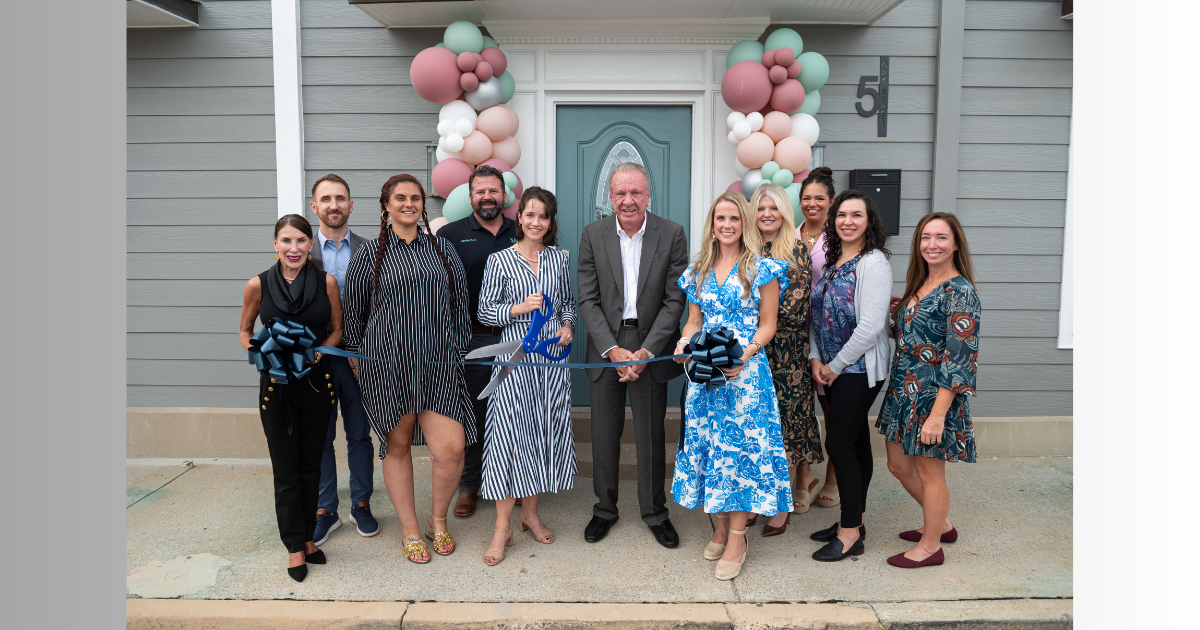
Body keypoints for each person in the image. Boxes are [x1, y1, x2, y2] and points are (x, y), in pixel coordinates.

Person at [341, 174, 474, 564]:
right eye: (400, 198)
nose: (409, 204)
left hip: (438, 364)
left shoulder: (443, 249)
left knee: (451, 448)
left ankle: (437, 520)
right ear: (386, 205)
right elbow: (354, 311)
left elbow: (460, 305)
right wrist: (356, 356)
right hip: (387, 364)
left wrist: (460, 350)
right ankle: (410, 530)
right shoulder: (369, 255)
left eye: (415, 198)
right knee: (397, 446)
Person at [671, 191, 791, 580]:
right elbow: (694, 321)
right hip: (706, 373)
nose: (727, 225)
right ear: (712, 225)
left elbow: (769, 323)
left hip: (745, 376)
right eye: (720, 218)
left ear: (745, 224)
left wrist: (747, 354)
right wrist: (684, 343)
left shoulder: (761, 268)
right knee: (712, 450)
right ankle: (721, 528)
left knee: (740, 454)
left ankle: (738, 538)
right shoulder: (698, 271)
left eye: (734, 218)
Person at [576, 161, 688, 548]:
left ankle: (655, 512)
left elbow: (675, 300)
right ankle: (604, 510)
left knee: (651, 437)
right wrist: (612, 349)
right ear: (610, 197)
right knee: (604, 436)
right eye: (620, 193)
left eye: (635, 192)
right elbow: (587, 299)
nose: (628, 200)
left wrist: (647, 350)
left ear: (648, 195)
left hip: (650, 345)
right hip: (605, 345)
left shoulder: (671, 234)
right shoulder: (593, 235)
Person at [238, 214, 343, 582]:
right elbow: (245, 331)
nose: (294, 248)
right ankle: (294, 546)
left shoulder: (326, 282)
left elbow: (337, 330)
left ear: (310, 244)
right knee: (286, 470)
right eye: (286, 240)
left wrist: (319, 352)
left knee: (311, 466)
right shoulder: (257, 285)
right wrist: (261, 357)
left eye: (300, 240)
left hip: (317, 384)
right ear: (275, 244)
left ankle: (309, 538)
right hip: (277, 388)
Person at [476, 187, 578, 565]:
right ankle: (501, 528)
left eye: (544, 216)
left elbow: (567, 303)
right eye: (530, 214)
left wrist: (567, 326)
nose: (537, 222)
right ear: (518, 217)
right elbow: (485, 312)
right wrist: (519, 307)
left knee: (539, 436)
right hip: (513, 365)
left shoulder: (558, 260)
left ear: (551, 222)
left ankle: (530, 514)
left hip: (550, 365)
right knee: (509, 439)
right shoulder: (500, 260)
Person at [878, 212, 980, 568]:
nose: (932, 244)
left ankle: (931, 546)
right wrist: (900, 312)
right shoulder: (920, 283)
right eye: (925, 237)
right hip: (902, 391)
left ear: (955, 244)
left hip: (933, 396)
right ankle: (942, 524)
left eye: (941, 237)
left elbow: (960, 359)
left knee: (929, 473)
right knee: (897, 465)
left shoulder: (960, 292)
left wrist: (937, 417)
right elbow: (912, 338)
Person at [807, 190, 893, 562]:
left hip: (858, 370)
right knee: (856, 443)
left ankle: (849, 534)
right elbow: (817, 314)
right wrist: (815, 357)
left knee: (839, 445)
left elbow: (871, 327)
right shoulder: (832, 259)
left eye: (856, 215)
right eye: (841, 214)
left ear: (868, 220)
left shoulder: (873, 262)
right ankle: (853, 520)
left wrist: (835, 365)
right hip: (830, 368)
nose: (847, 221)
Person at [439, 165, 519, 519]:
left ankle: (513, 481)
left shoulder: (522, 231)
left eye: (493, 191)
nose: (487, 197)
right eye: (480, 191)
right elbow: (441, 289)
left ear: (504, 195)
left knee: (514, 412)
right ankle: (470, 485)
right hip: (472, 339)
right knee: (474, 412)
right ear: (470, 197)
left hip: (517, 338)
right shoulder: (451, 235)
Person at [306, 174, 379, 545]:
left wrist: (364, 350)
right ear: (314, 207)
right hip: (315, 358)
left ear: (351, 205)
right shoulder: (300, 250)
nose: (333, 205)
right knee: (320, 436)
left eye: (340, 198)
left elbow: (379, 305)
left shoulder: (372, 249)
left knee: (359, 434)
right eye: (326, 199)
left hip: (357, 358)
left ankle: (361, 503)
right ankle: (326, 509)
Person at [749, 183, 821, 537]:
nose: (767, 214)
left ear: (784, 213)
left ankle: (781, 505)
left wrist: (752, 317)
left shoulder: (795, 251)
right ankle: (754, 501)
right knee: (755, 427)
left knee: (785, 428)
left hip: (786, 354)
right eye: (761, 208)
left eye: (773, 208)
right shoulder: (745, 249)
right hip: (749, 353)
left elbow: (792, 309)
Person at [796, 167, 840, 509]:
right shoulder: (790, 234)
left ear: (832, 202)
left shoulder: (840, 237)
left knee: (833, 411)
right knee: (796, 409)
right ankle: (804, 476)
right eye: (806, 198)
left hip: (828, 335)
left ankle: (834, 480)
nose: (812, 204)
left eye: (819, 198)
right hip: (793, 334)